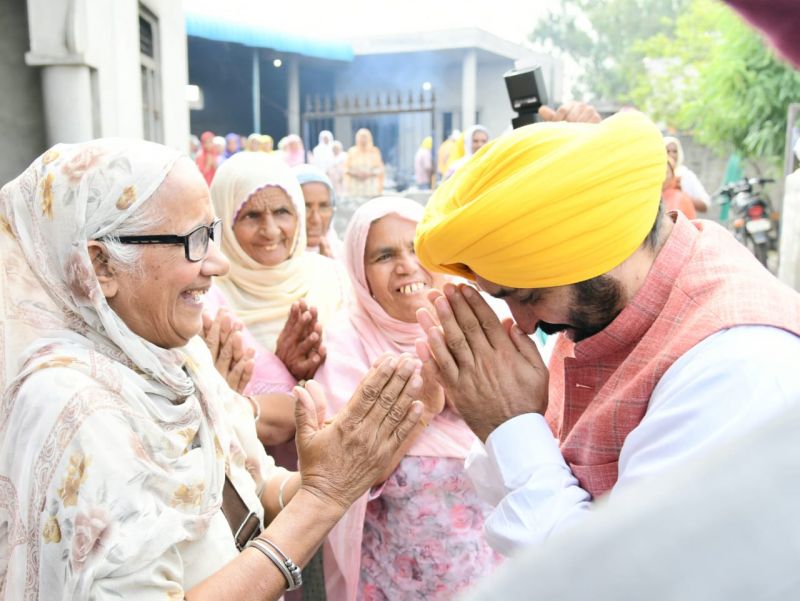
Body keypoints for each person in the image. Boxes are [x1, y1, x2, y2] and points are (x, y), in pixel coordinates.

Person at [0, 138, 427, 599]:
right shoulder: (74, 405)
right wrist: (324, 500)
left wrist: (337, 472)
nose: (219, 263)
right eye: (193, 241)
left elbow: (252, 486)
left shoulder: (175, 355)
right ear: (100, 264)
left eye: (213, 233)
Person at [412, 107, 800, 555]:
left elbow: (623, 578)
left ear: (597, 249)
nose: (524, 323)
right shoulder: (616, 308)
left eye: (528, 295)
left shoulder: (735, 369)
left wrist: (510, 425)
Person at [314, 197, 501, 600]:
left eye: (417, 248)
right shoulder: (348, 347)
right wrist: (423, 410)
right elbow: (345, 476)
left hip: (490, 577)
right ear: (360, 274)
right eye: (384, 255)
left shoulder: (474, 325)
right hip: (391, 584)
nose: (406, 265)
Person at [294, 163, 342, 259]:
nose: (315, 219)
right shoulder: (269, 264)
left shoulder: (347, 257)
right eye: (305, 207)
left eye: (324, 207)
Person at [663, 136, 710, 212]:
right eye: (667, 151)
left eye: (675, 151)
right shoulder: (655, 175)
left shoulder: (685, 175)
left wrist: (682, 196)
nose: (671, 154)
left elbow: (705, 205)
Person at [345, 128, 384, 198]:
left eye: (365, 137)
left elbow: (380, 169)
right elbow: (346, 169)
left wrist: (369, 173)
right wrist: (357, 173)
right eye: (361, 137)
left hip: (371, 186)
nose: (363, 139)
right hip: (355, 187)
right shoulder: (352, 151)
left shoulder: (374, 151)